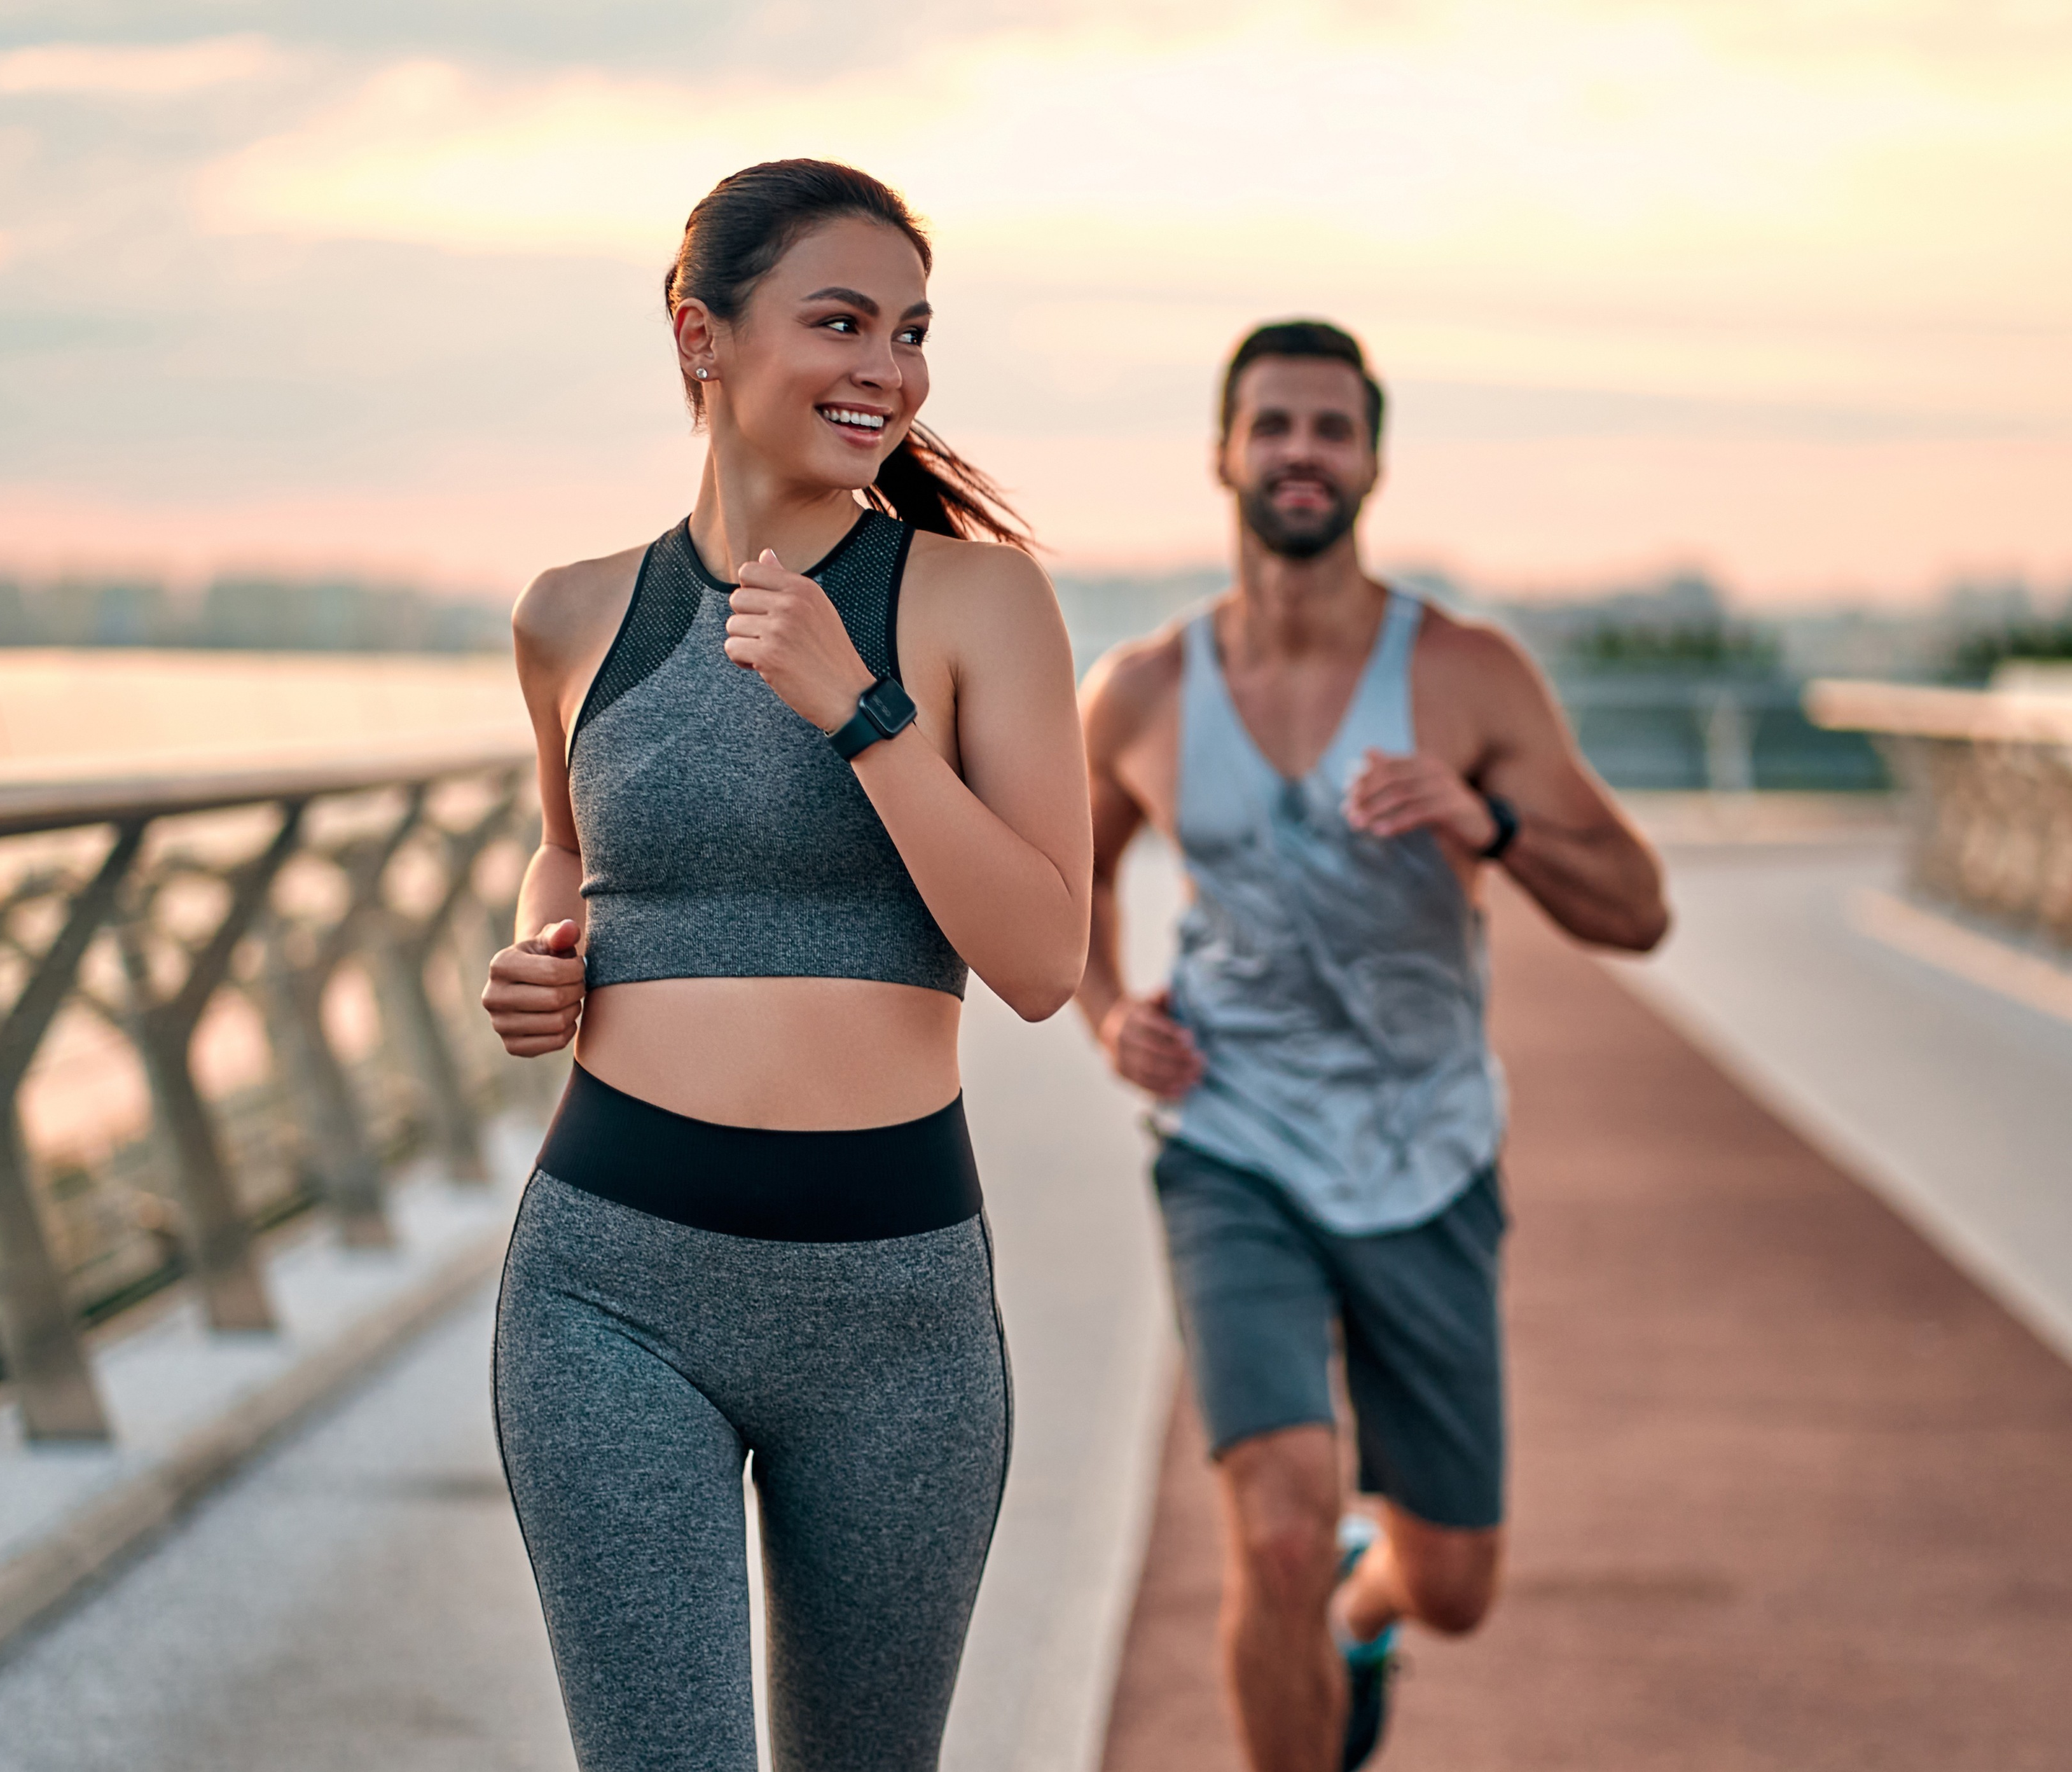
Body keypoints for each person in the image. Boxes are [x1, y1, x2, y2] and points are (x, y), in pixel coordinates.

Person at [477, 160, 1089, 1772]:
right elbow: (571, 852)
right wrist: (539, 961)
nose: (887, 368)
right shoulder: (569, 612)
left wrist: (860, 708)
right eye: (841, 321)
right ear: (703, 335)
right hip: (610, 1285)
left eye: (910, 331)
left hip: (895, 1310)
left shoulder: (974, 600)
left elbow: (1041, 958)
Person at [1077, 320, 1669, 1772]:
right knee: (1271, 1531)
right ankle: (1315, 1598)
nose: (1300, 452)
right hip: (1233, 1146)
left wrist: (1493, 825)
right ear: (1224, 450)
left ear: (1372, 462)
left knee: (1456, 1582)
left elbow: (1639, 910)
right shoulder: (1145, 690)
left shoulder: (1465, 674)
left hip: (1428, 1154)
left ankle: (1371, 1602)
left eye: (1330, 429)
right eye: (1272, 424)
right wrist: (1110, 1012)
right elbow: (1064, 876)